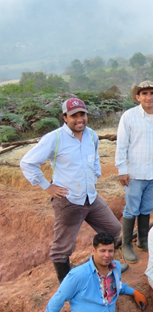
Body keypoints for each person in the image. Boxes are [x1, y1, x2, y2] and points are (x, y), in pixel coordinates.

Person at [20, 98, 126, 283]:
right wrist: (47, 186)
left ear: (86, 115)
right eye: (74, 115)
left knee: (113, 228)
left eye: (82, 114)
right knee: (62, 248)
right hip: (68, 200)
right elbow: (27, 163)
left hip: (90, 197)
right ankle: (67, 285)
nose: (79, 119)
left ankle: (103, 268)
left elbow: (94, 158)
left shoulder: (91, 135)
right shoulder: (55, 138)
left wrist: (95, 174)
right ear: (65, 117)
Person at [116, 81, 153, 264]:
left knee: (148, 207)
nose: (149, 97)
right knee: (131, 208)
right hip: (134, 172)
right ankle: (126, 244)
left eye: (152, 93)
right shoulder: (129, 117)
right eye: (144, 94)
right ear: (137, 97)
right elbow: (122, 145)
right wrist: (122, 170)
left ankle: (142, 241)